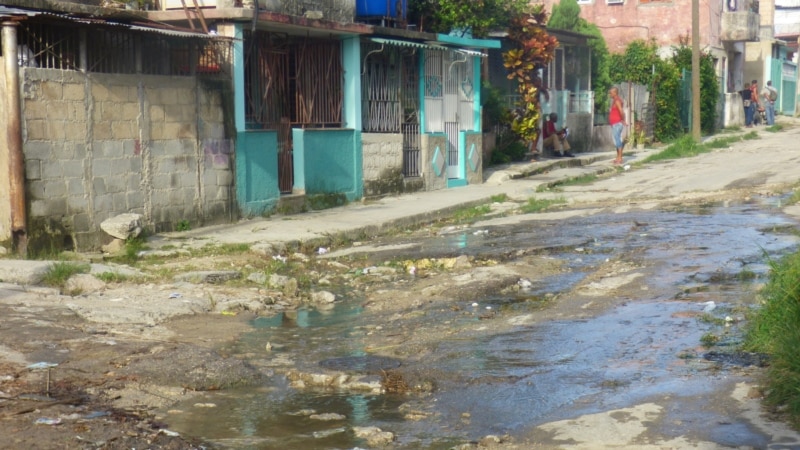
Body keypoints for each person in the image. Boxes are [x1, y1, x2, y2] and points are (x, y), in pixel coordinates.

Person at [608, 87, 627, 165]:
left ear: (615, 93)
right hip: (615, 123)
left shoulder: (617, 101)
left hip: (617, 123)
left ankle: (620, 158)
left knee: (617, 141)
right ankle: (618, 157)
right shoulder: (615, 100)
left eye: (611, 93)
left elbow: (622, 112)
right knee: (617, 140)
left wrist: (623, 120)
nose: (610, 94)